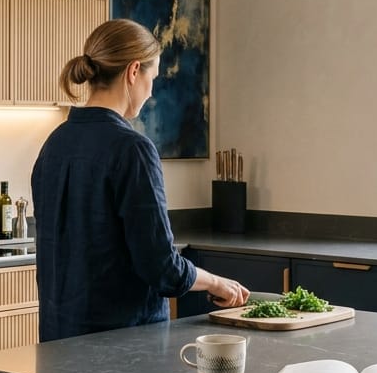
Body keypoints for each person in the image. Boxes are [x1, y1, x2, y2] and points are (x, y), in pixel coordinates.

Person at [31, 18, 249, 342]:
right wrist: (218, 283)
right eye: (152, 77)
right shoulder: (132, 149)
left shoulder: (55, 143)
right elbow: (162, 268)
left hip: (59, 342)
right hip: (124, 347)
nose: (151, 91)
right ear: (134, 72)